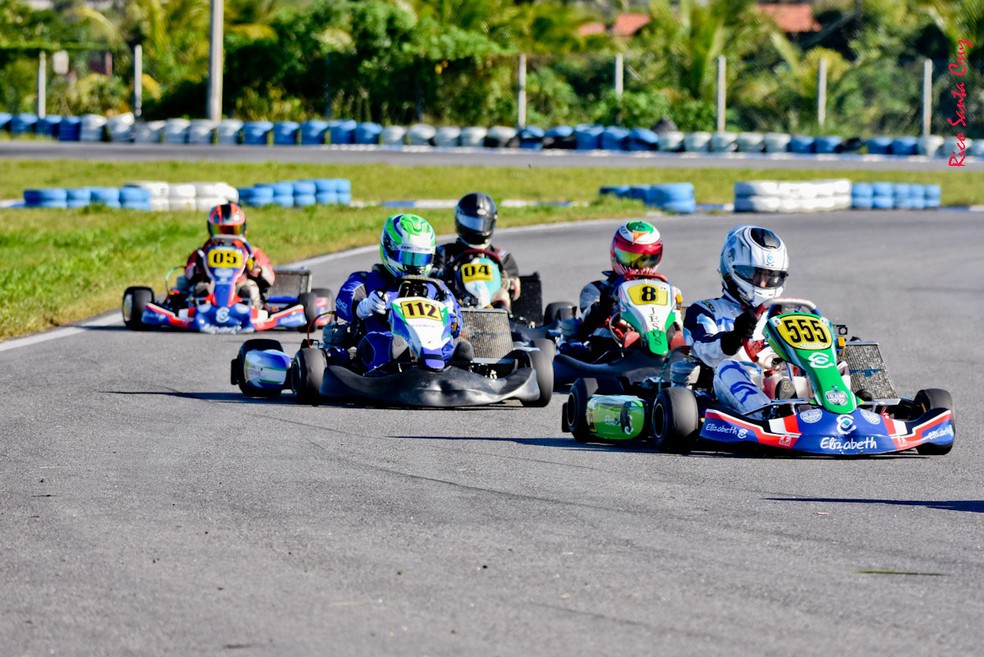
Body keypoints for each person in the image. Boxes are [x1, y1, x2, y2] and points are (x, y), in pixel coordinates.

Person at [331, 213, 466, 373]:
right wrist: (363, 306)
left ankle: (457, 371)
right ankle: (391, 373)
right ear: (389, 249)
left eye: (421, 260)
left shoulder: (437, 287)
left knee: (450, 346)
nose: (415, 266)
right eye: (408, 257)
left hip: (431, 344)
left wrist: (451, 315)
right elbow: (343, 300)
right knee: (385, 343)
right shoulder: (368, 281)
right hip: (384, 339)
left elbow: (457, 325)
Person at [683, 224, 794, 417]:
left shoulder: (786, 316)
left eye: (770, 276)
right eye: (755, 274)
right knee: (728, 367)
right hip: (728, 388)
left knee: (839, 361)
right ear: (731, 268)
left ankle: (845, 408)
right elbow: (704, 349)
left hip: (782, 382)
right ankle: (768, 416)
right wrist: (734, 337)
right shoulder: (705, 311)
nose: (762, 283)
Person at [564, 220, 683, 353]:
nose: (638, 267)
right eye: (630, 257)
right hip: (616, 345)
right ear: (615, 254)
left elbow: (677, 323)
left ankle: (673, 356)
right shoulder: (597, 289)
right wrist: (604, 307)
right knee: (601, 334)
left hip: (657, 337)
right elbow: (587, 324)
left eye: (645, 260)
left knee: (679, 337)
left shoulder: (669, 290)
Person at [179, 202, 275, 309]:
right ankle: (199, 311)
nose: (226, 236)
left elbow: (270, 278)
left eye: (231, 231)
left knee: (248, 289)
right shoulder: (203, 252)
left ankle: (250, 311)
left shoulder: (252, 253)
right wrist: (198, 267)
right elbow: (188, 274)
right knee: (200, 289)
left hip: (239, 287)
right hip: (212, 288)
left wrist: (257, 270)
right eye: (221, 230)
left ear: (243, 230)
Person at [431, 192, 521, 303]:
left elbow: (515, 288)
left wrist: (506, 282)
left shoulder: (502, 257)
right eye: (471, 222)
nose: (478, 228)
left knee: (503, 295)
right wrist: (445, 274)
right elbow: (431, 279)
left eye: (482, 223)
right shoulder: (444, 253)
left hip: (494, 308)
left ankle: (504, 319)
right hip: (455, 306)